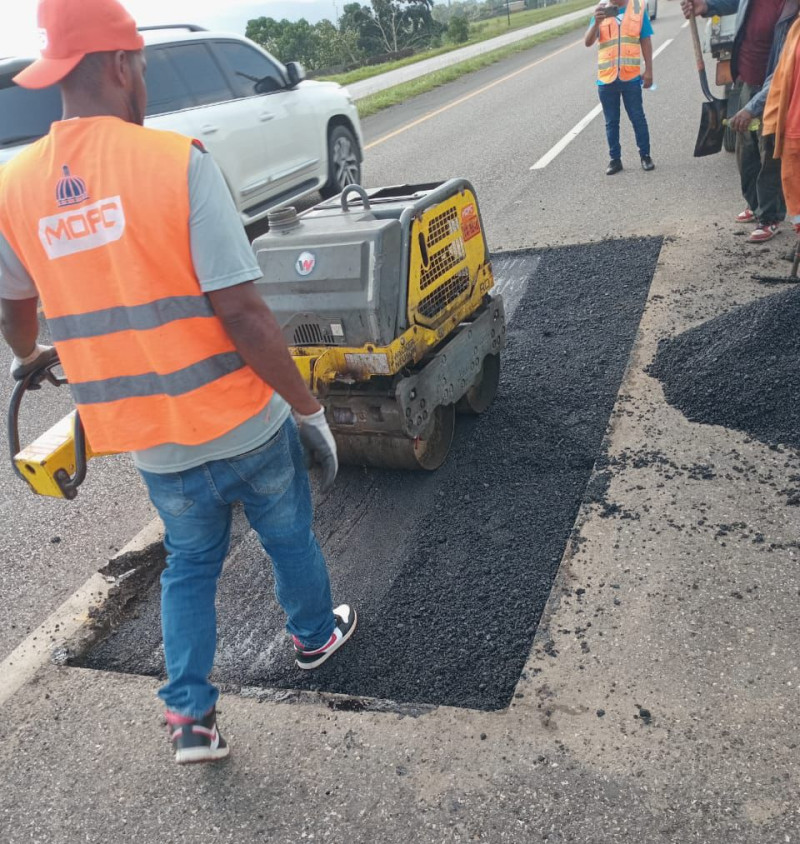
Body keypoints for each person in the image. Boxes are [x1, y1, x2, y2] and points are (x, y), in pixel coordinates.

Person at [0, 0, 357, 766]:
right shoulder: (174, 161)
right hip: (240, 418)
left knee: (190, 564)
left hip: (150, 441)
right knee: (287, 533)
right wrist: (308, 407)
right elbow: (245, 313)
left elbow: (17, 312)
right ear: (120, 65)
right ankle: (313, 636)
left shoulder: (15, 186)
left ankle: (190, 719)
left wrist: (31, 353)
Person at [681, 0, 799, 243]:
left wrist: (753, 107)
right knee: (746, 151)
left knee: (769, 153)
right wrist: (705, 7)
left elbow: (781, 72)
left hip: (772, 89)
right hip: (745, 79)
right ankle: (755, 205)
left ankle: (770, 216)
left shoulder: (791, 9)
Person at [586, 0, 656, 175]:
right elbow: (588, 42)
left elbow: (645, 40)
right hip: (607, 79)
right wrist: (596, 23)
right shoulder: (601, 9)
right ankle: (615, 160)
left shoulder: (637, 8)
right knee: (611, 122)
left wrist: (649, 70)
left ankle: (645, 156)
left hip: (630, 77)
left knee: (638, 118)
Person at [763, 13, 800, 249]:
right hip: (794, 132)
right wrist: (771, 120)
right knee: (794, 190)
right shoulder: (795, 28)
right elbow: (779, 80)